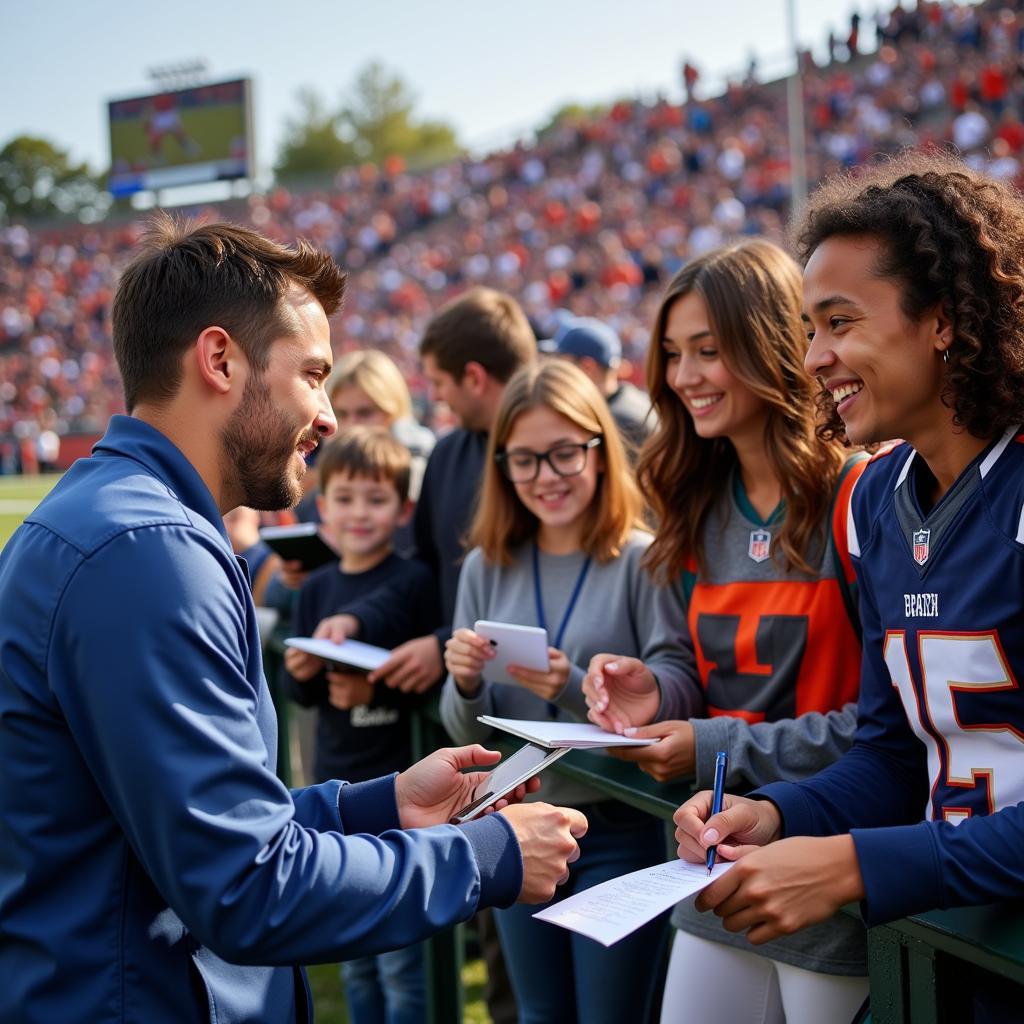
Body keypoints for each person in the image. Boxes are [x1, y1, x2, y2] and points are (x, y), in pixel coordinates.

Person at [0, 215, 588, 1024]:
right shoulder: (147, 551)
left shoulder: (122, 521)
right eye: (312, 374)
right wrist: (485, 856)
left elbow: (181, 831)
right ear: (220, 359)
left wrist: (377, 809)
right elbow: (245, 885)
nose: (331, 415)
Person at [673, 153, 1024, 1022]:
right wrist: (778, 815)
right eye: (807, 327)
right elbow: (892, 756)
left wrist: (859, 866)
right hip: (949, 945)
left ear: (942, 320)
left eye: (839, 321)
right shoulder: (873, 497)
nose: (816, 355)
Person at [582, 239, 870, 1024]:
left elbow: (879, 730)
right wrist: (655, 688)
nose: (684, 377)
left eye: (709, 351)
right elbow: (688, 662)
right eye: (673, 354)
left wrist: (711, 745)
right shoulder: (697, 503)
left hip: (828, 865)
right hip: (710, 854)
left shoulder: (858, 495)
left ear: (772, 344)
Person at [440, 359, 700, 1024]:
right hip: (516, 825)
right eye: (524, 460)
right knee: (538, 1014)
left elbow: (674, 697)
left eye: (563, 453)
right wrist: (464, 680)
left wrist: (574, 686)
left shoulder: (641, 558)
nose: (545, 477)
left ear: (599, 449)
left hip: (618, 827)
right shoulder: (485, 565)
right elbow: (462, 730)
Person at [283, 426, 438, 1024]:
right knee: (354, 950)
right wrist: (303, 671)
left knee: (401, 958)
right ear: (324, 506)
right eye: (345, 499)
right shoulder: (316, 585)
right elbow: (307, 693)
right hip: (339, 790)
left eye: (376, 500)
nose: (359, 514)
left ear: (402, 510)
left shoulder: (412, 578)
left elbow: (391, 615)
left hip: (402, 787)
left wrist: (353, 636)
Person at [545, 316, 654, 454]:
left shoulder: (617, 421)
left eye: (561, 364)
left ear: (587, 368)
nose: (555, 373)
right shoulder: (630, 399)